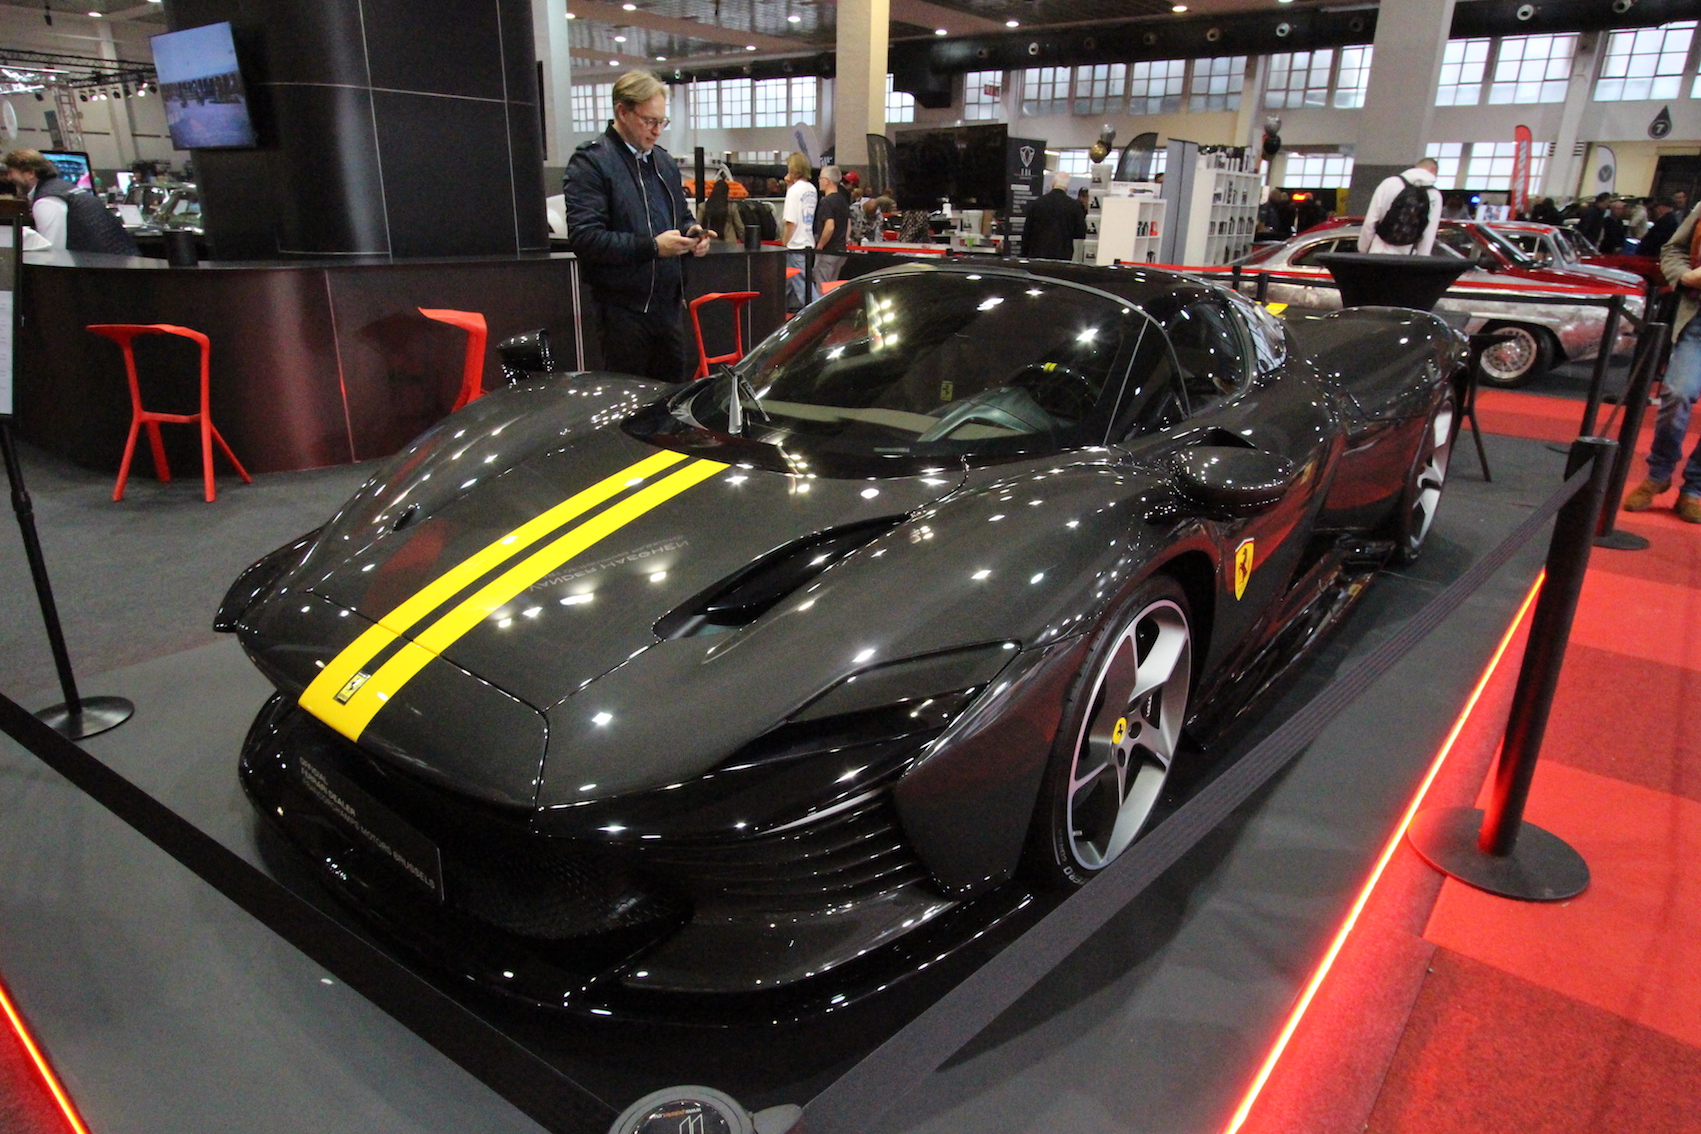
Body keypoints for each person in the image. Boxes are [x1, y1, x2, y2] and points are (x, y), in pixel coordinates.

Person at [561, 71, 710, 383]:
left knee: (672, 397)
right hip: (622, 312)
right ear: (622, 112)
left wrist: (693, 231)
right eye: (649, 121)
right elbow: (586, 239)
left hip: (668, 308)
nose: (657, 130)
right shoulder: (591, 162)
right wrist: (653, 247)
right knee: (629, 401)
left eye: (662, 122)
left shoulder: (664, 162)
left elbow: (681, 215)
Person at [1624, 207, 1701, 522]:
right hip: (1697, 321)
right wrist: (1684, 277)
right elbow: (1673, 249)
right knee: (1676, 394)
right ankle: (1659, 472)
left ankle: (1694, 489)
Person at [1, 149, 137, 255]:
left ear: (30, 173)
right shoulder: (63, 188)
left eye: (11, 172)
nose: (8, 178)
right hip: (120, 264)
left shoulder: (47, 200)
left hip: (106, 274)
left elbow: (52, 253)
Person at [1358, 157, 1442, 255]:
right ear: (1433, 170)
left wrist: (1363, 249)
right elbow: (1428, 235)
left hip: (1378, 250)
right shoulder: (1434, 195)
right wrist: (1421, 258)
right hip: (1405, 256)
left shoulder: (1389, 183)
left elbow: (1370, 221)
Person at [1021, 169, 1086, 260]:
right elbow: (1081, 232)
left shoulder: (1038, 203)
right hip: (1062, 256)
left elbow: (1027, 232)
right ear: (1067, 187)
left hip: (1038, 255)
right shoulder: (1074, 206)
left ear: (1053, 184)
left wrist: (1023, 255)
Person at [781, 151, 817, 310]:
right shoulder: (811, 189)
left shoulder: (794, 191)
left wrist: (784, 242)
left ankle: (819, 313)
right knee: (788, 285)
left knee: (804, 288)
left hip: (794, 245)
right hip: (807, 242)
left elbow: (791, 221)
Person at [812, 164, 850, 294]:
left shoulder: (826, 202)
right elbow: (848, 224)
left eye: (821, 178)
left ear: (827, 181)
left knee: (822, 287)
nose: (819, 181)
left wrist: (820, 245)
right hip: (841, 251)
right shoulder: (843, 200)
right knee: (832, 288)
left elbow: (829, 226)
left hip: (828, 251)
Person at [697, 175, 743, 245]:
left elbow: (697, 225)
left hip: (710, 241)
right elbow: (739, 227)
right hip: (729, 242)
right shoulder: (732, 207)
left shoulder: (703, 206)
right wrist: (746, 241)